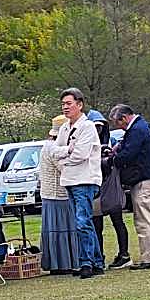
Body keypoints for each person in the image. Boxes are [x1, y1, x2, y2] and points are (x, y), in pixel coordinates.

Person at [53, 88, 104, 279]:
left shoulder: (87, 127)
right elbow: (53, 152)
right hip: (69, 180)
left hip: (85, 179)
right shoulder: (64, 128)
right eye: (63, 104)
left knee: (83, 222)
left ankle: (86, 262)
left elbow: (81, 155)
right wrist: (68, 151)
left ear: (79, 105)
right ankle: (96, 262)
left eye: (69, 103)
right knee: (82, 222)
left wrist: (65, 157)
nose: (65, 107)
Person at [109, 102, 150, 270]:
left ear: (124, 118)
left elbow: (129, 154)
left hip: (144, 179)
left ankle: (149, 257)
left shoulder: (137, 130)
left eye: (117, 123)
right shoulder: (141, 126)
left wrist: (113, 159)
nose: (119, 127)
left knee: (143, 219)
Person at [37, 116, 77, 275]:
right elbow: (64, 168)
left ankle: (59, 263)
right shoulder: (53, 148)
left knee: (57, 230)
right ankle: (62, 264)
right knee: (61, 229)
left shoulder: (48, 146)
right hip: (57, 196)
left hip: (52, 195)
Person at [93, 117, 130, 268]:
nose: (98, 130)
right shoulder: (90, 142)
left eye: (100, 127)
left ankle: (124, 254)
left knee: (117, 222)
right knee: (97, 226)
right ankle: (99, 257)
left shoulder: (110, 142)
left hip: (109, 188)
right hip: (97, 189)